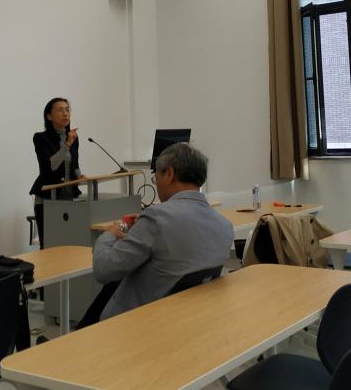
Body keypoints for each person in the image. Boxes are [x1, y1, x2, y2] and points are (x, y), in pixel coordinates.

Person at [91, 143, 234, 321]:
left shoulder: (157, 218)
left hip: (135, 322)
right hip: (187, 319)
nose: (156, 183)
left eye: (156, 177)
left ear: (169, 174)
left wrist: (110, 234)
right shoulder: (225, 226)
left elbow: (103, 270)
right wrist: (141, 230)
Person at [29, 97, 82, 248]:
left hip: (68, 198)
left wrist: (80, 175)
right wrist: (67, 144)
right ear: (49, 116)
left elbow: (74, 163)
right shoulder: (41, 138)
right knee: (49, 246)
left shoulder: (73, 137)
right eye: (60, 110)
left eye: (67, 110)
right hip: (47, 199)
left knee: (68, 245)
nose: (65, 113)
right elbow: (50, 165)